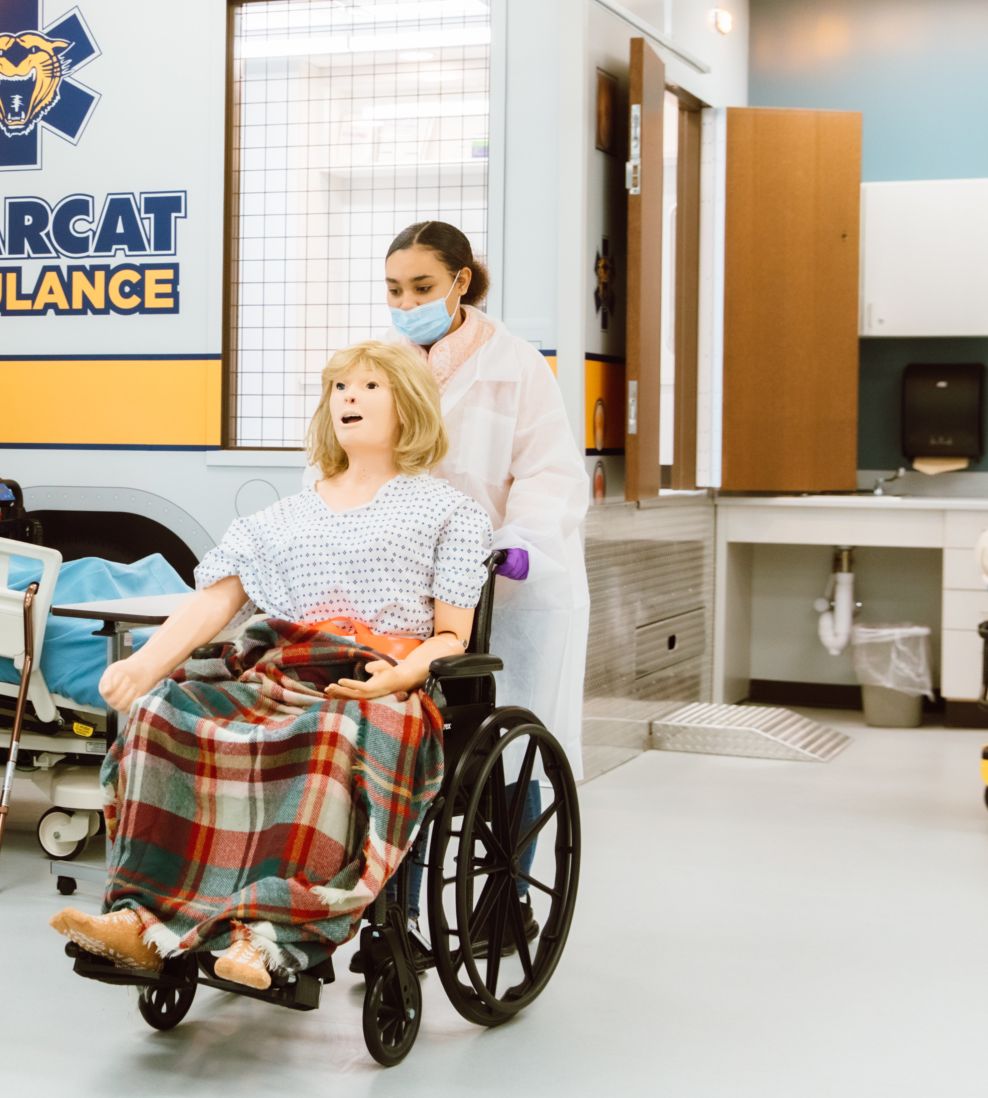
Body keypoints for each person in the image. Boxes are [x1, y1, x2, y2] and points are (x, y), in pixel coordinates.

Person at [52, 341, 493, 989]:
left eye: (371, 386)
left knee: (329, 734)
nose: (350, 396)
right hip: (282, 672)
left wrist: (405, 673)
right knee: (163, 713)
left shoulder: (448, 513)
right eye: (340, 386)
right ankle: (141, 916)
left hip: (378, 683)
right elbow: (216, 601)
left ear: (411, 404)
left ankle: (268, 936)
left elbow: (453, 635)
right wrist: (146, 665)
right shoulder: (283, 518)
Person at [381, 220, 590, 754]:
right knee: (402, 733)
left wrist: (522, 543)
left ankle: (516, 832)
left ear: (462, 281)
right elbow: (339, 458)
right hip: (399, 580)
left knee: (509, 736)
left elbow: (550, 470)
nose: (406, 304)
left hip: (501, 584)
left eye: (423, 288)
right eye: (394, 289)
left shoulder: (516, 365)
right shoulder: (380, 365)